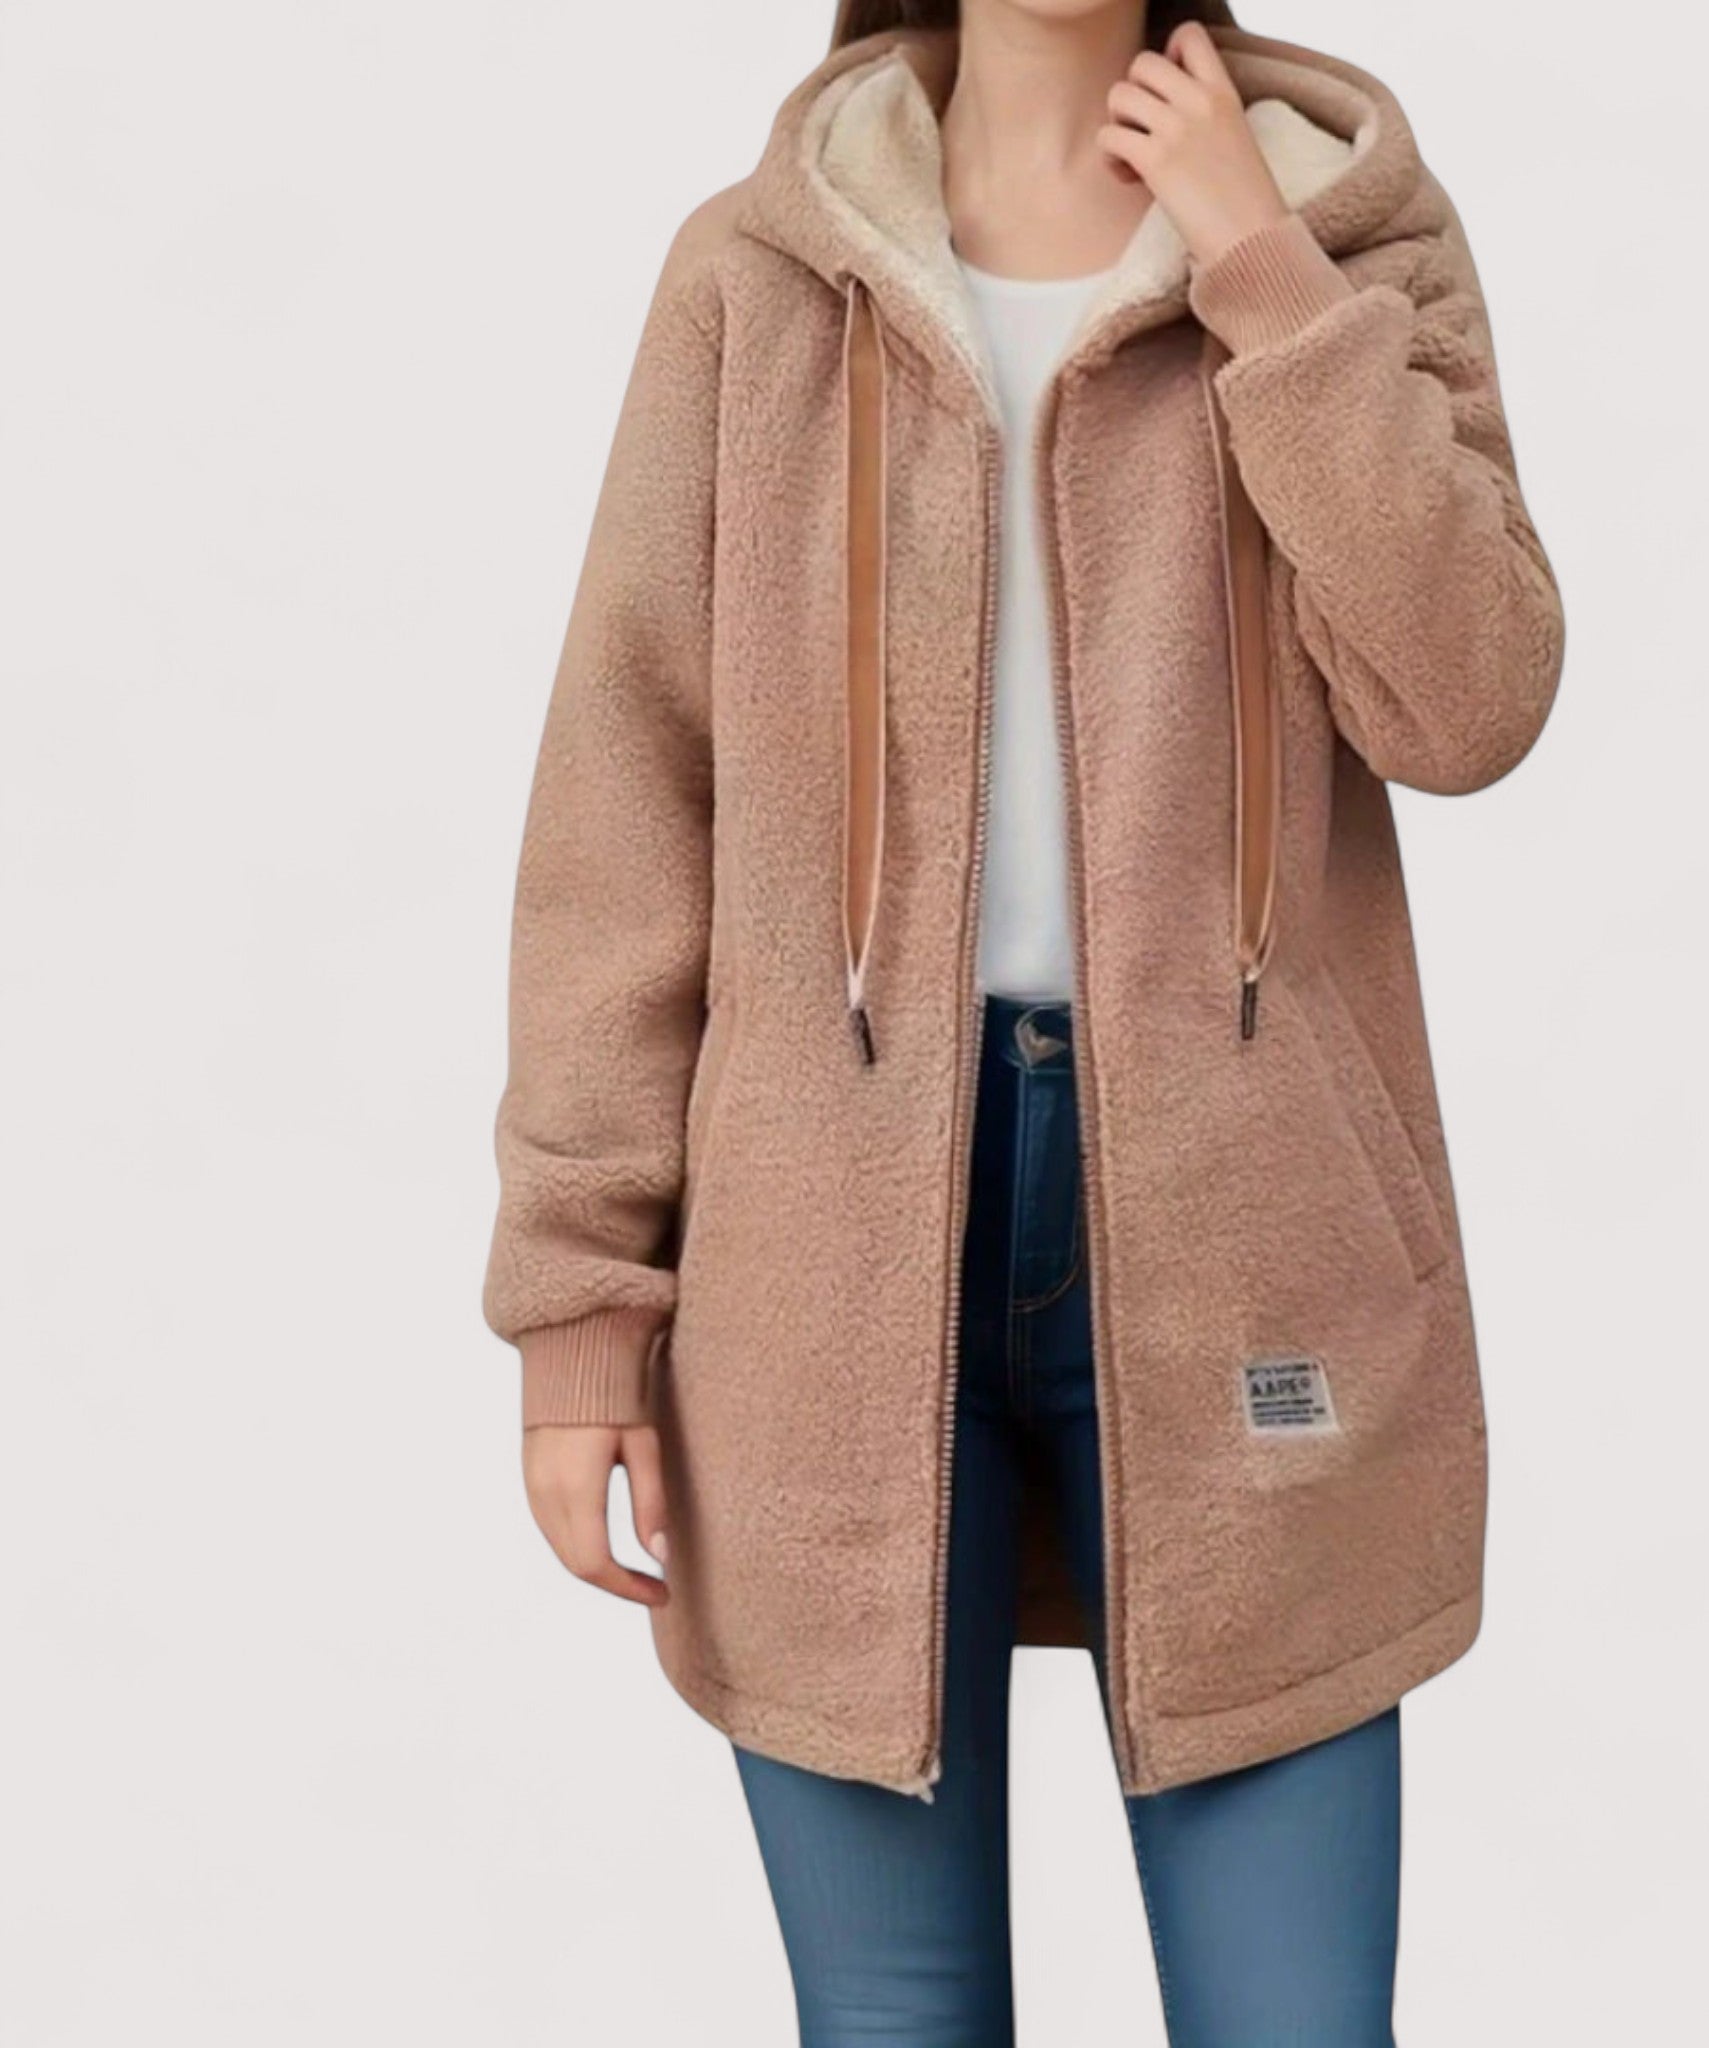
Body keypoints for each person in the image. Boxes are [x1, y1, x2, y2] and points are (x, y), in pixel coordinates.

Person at [483, 1, 1564, 2038]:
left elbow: (1470, 700)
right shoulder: (757, 273)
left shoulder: (1343, 223)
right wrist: (578, 1306)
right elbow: (628, 798)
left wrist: (1262, 273)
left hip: (1255, 1242)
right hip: (820, 1259)